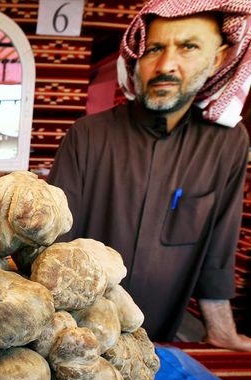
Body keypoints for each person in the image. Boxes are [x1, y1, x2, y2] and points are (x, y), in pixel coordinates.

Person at [47, 0, 251, 351]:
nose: (166, 65)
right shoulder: (88, 135)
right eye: (155, 48)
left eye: (188, 47)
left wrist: (221, 331)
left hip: (160, 338)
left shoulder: (228, 143)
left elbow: (218, 248)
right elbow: (54, 244)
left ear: (217, 59)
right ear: (137, 59)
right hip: (79, 336)